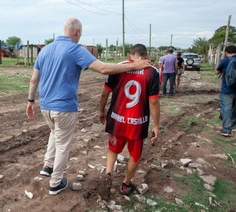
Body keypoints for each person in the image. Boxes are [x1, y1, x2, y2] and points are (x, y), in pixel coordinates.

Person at [26, 17, 151, 195]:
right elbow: (103, 68)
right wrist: (134, 65)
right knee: (63, 144)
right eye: (80, 34)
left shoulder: (45, 50)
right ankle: (55, 183)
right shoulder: (75, 49)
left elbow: (34, 79)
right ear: (76, 32)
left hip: (45, 106)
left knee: (55, 133)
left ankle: (47, 165)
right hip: (64, 107)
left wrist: (30, 101)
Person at [99, 44, 160, 196]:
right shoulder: (152, 72)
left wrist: (101, 111)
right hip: (137, 123)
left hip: (117, 119)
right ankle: (125, 184)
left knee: (113, 148)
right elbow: (153, 101)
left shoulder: (118, 68)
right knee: (135, 154)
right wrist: (156, 125)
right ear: (146, 57)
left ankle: (108, 174)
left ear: (129, 55)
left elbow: (105, 93)